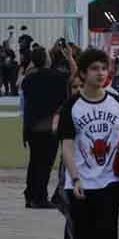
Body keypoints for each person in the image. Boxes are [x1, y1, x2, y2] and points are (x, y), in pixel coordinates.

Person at [58, 48, 119, 239]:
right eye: (94, 68)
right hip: (81, 182)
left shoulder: (118, 103)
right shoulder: (71, 106)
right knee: (82, 233)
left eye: (103, 68)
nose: (100, 73)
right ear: (83, 73)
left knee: (108, 233)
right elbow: (67, 146)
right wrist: (75, 179)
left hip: (110, 181)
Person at [21, 46, 68, 209]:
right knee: (45, 165)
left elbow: (26, 80)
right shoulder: (57, 77)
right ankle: (40, 197)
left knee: (34, 162)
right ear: (48, 60)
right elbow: (71, 79)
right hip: (49, 127)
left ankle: (30, 195)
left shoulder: (28, 80)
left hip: (32, 128)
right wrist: (68, 57)